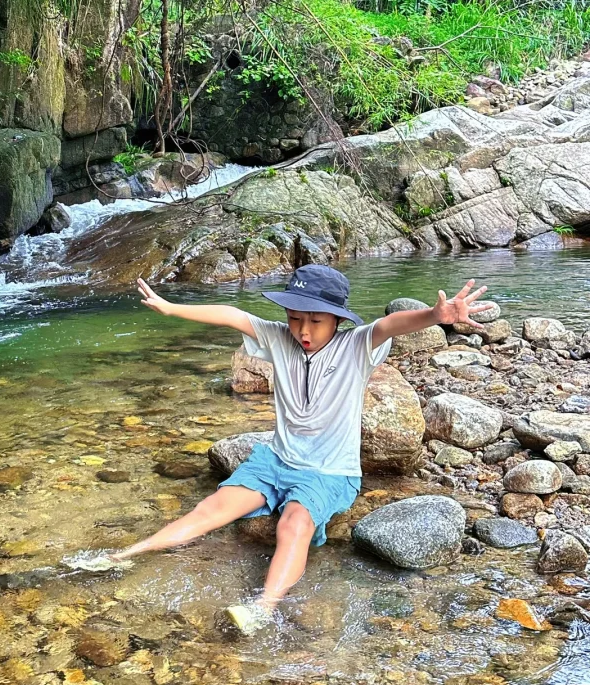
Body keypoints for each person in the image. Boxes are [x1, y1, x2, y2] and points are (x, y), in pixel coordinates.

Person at [115, 265, 490, 635]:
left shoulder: (356, 345)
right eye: (295, 319)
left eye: (315, 321)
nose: (303, 331)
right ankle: (125, 556)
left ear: (337, 320)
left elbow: (391, 324)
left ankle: (262, 609)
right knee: (213, 508)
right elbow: (233, 315)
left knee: (294, 525)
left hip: (328, 472)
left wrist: (436, 315)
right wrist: (171, 307)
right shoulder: (279, 338)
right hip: (274, 459)